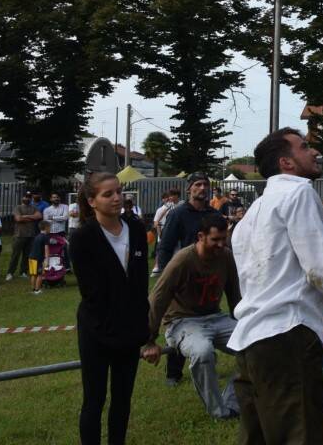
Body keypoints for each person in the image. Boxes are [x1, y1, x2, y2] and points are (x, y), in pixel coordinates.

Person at [228, 128, 323, 445]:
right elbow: (320, 267)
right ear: (287, 162)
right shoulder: (299, 192)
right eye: (305, 147)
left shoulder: (252, 213)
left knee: (257, 437)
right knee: (302, 435)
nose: (314, 152)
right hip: (287, 336)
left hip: (249, 342)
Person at [70, 172, 151, 445]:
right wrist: (111, 330)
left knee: (122, 400)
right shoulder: (83, 237)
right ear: (92, 201)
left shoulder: (137, 229)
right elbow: (92, 293)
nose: (117, 198)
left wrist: (144, 330)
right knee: (94, 400)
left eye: (119, 191)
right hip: (97, 330)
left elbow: (140, 285)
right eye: (108, 194)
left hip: (130, 330)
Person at [143, 214, 242, 420]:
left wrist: (244, 325)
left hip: (216, 317)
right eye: (215, 239)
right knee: (202, 351)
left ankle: (233, 401)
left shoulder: (226, 256)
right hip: (182, 322)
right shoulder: (182, 260)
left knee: (254, 346)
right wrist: (149, 340)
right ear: (201, 236)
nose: (220, 244)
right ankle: (219, 411)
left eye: (224, 239)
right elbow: (157, 298)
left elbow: (235, 294)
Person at [157, 171, 223, 386]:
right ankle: (173, 372)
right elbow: (166, 246)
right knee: (181, 323)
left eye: (205, 184)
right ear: (189, 189)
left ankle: (207, 360)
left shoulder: (214, 214)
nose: (202, 188)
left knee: (208, 317)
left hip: (208, 277)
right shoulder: (178, 214)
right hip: (182, 276)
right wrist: (168, 276)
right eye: (197, 185)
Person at [7, 191, 42, 281]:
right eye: (26, 196)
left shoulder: (34, 207)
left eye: (29, 197)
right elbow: (18, 219)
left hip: (31, 235)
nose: (27, 198)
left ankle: (23, 272)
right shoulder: (17, 208)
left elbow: (39, 216)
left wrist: (25, 216)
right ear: (22, 198)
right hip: (19, 235)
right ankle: (10, 273)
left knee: (27, 255)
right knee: (15, 255)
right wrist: (31, 217)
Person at [150, 188, 180, 275]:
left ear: (176, 196)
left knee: (177, 250)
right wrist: (157, 222)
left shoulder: (181, 204)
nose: (170, 197)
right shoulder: (168, 205)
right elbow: (162, 212)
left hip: (178, 230)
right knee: (162, 249)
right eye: (169, 196)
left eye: (171, 195)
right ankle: (158, 267)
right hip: (167, 230)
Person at [28, 220, 52, 294]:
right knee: (40, 274)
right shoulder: (46, 237)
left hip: (31, 257)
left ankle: (33, 289)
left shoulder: (37, 236)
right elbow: (46, 249)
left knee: (33, 274)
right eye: (50, 227)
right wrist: (47, 260)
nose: (50, 229)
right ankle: (37, 290)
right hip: (38, 259)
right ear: (46, 228)